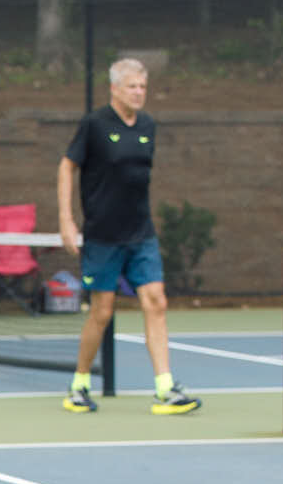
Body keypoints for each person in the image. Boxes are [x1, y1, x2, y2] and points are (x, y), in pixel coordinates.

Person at [57, 57, 202, 415]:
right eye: (132, 86)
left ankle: (165, 389)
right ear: (115, 89)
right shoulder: (94, 125)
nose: (139, 93)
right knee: (102, 313)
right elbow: (67, 166)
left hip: (141, 234)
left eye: (143, 87)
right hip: (102, 237)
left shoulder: (148, 126)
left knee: (156, 301)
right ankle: (79, 384)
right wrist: (66, 219)